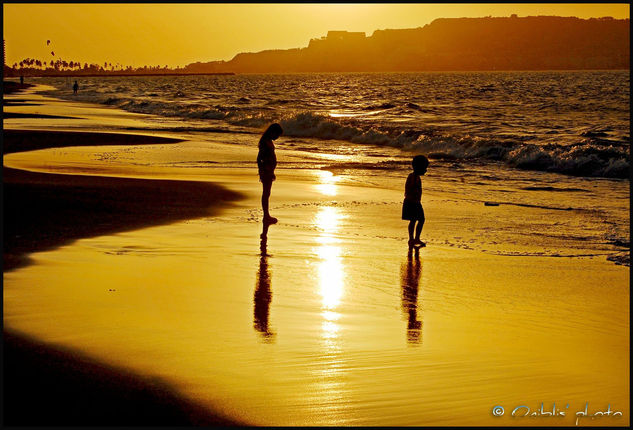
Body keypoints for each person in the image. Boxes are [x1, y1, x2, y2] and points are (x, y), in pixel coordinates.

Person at [257, 123, 283, 226]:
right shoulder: (265, 142)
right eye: (277, 135)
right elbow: (259, 158)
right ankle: (266, 215)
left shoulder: (268, 141)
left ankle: (266, 215)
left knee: (267, 193)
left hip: (269, 170)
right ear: (273, 132)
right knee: (266, 193)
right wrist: (262, 171)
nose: (277, 138)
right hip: (266, 170)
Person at [402, 155, 429, 248]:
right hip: (413, 202)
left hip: (412, 201)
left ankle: (412, 239)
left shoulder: (414, 176)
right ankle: (414, 238)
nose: (426, 170)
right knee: (420, 220)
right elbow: (411, 188)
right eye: (424, 168)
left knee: (414, 220)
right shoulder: (414, 177)